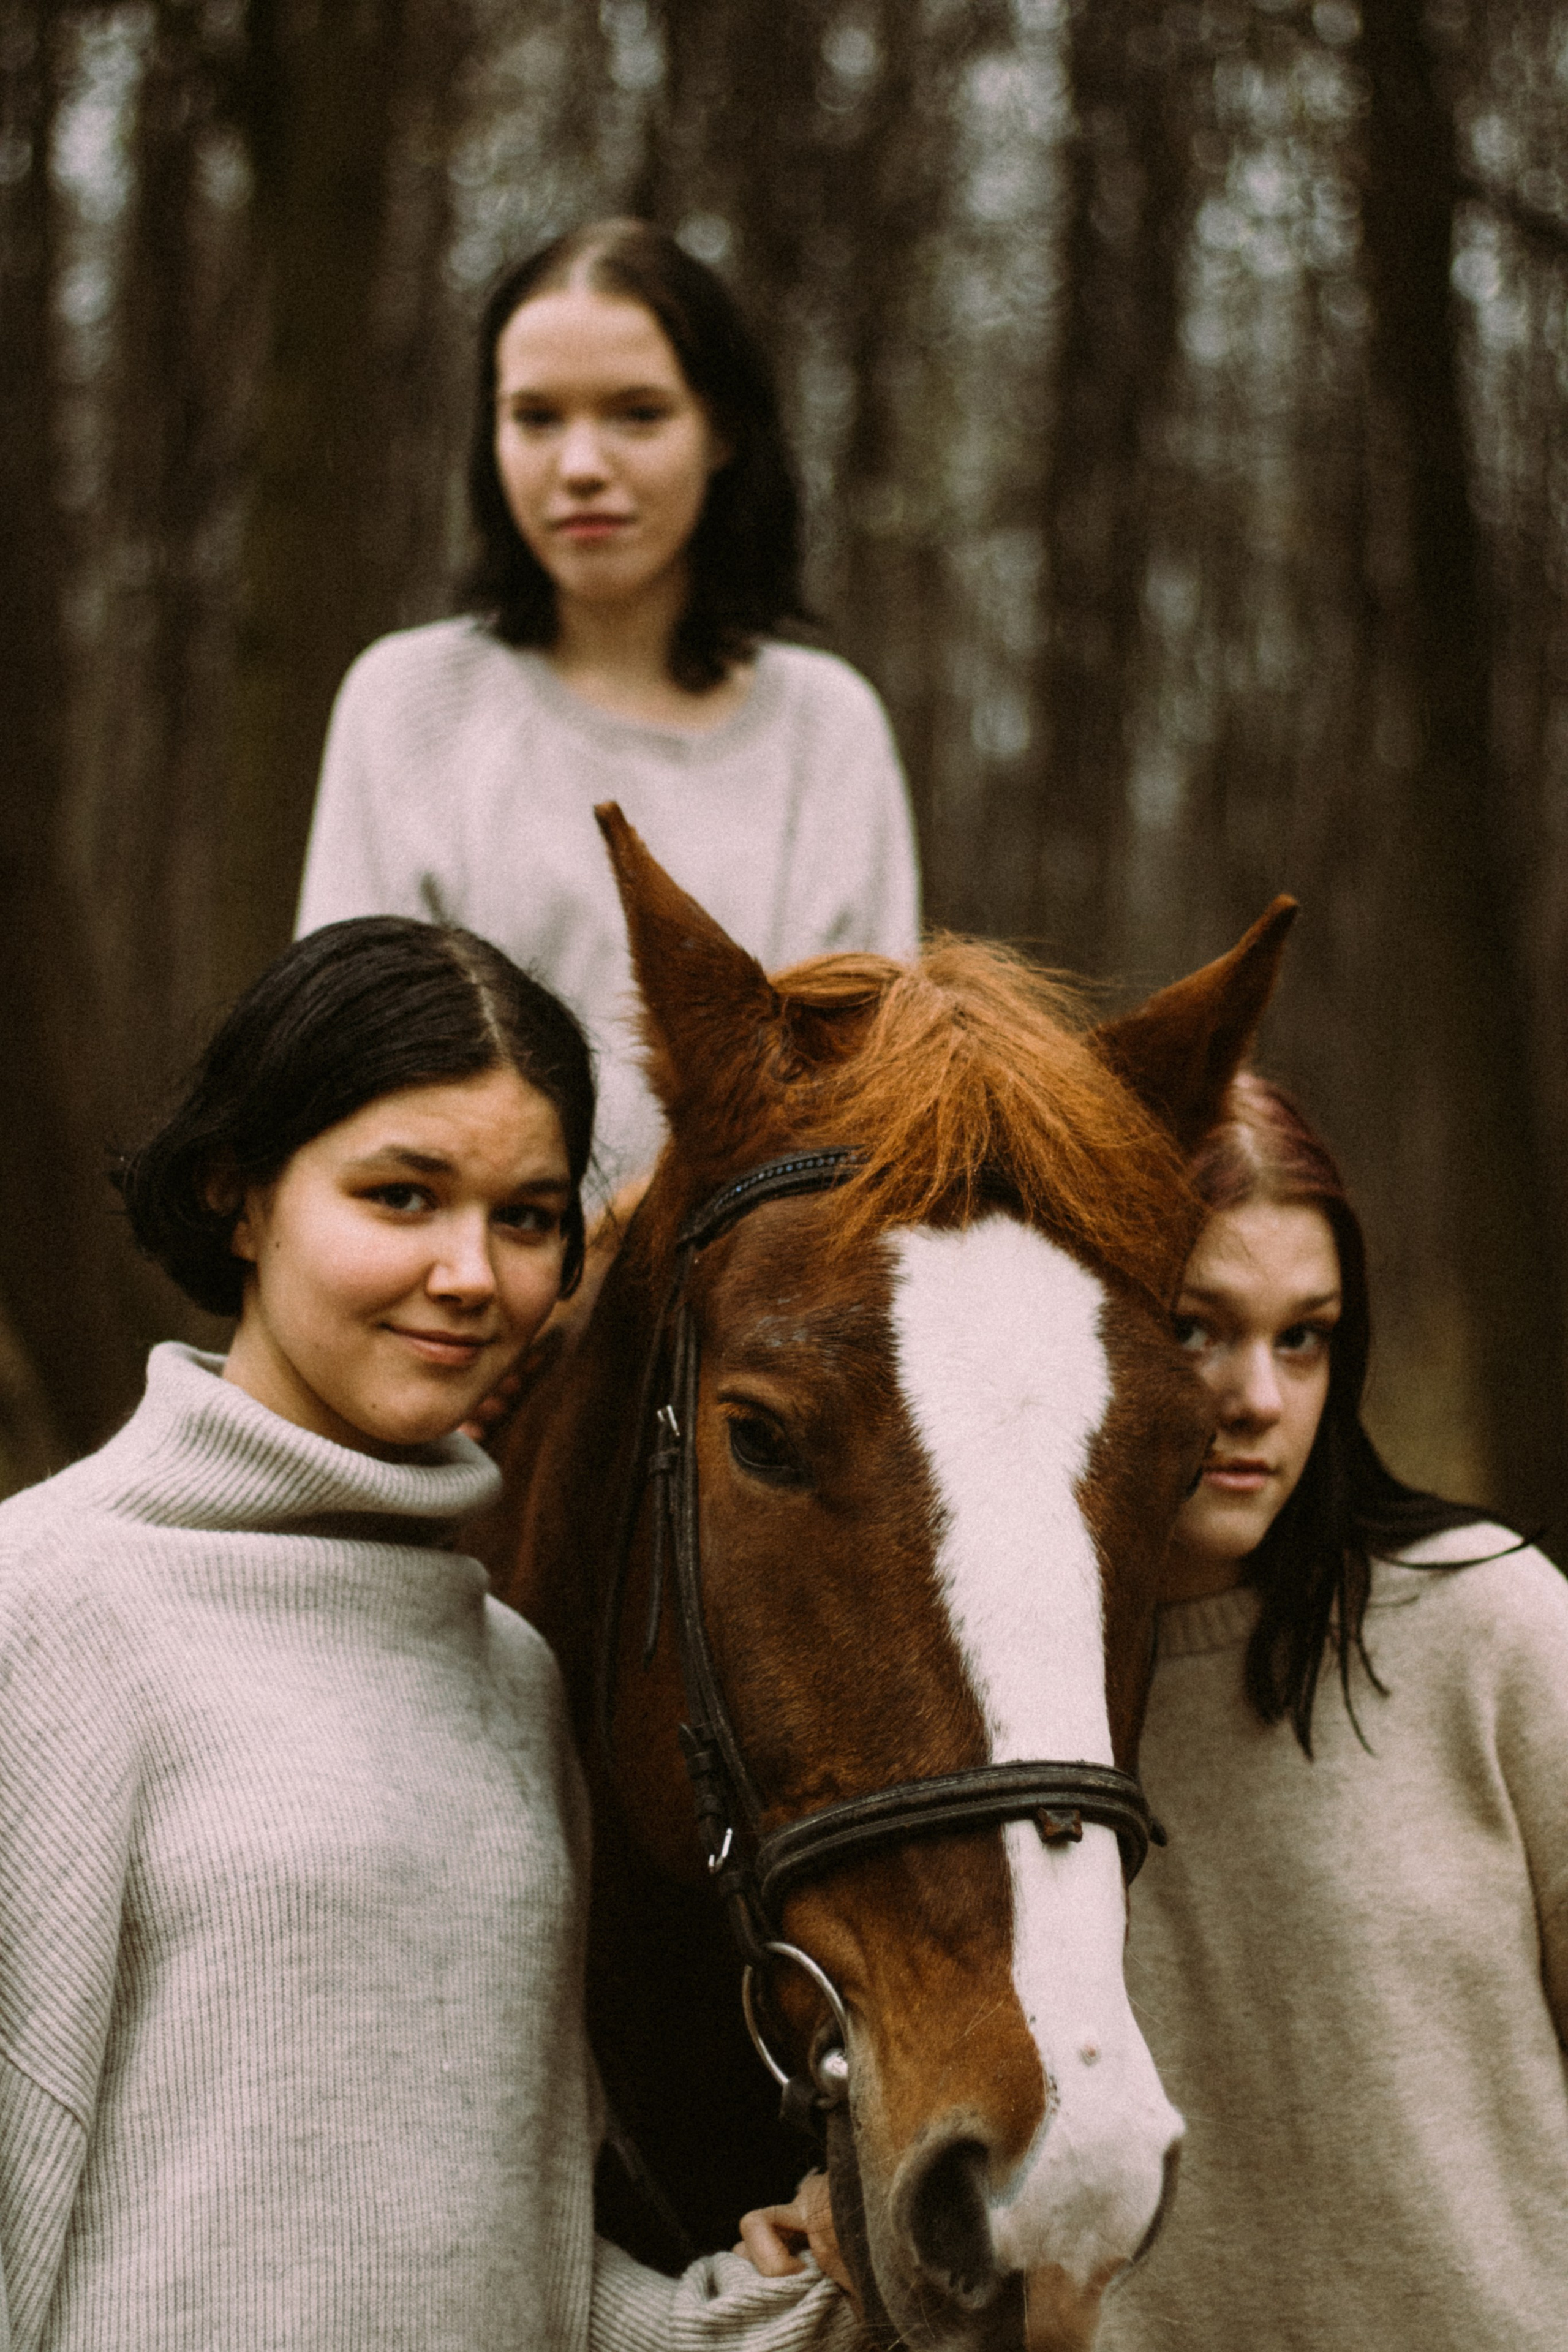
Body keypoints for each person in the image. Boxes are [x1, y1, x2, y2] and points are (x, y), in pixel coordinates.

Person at [0, 914, 857, 2351]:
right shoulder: (52, 1603)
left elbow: (520, 2271)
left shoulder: (509, 1672)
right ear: (240, 1197)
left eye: (526, 1217)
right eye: (403, 1196)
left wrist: (784, 2307)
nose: (474, 1274)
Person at [296, 217, 919, 1197]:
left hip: (742, 1321)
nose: (580, 464)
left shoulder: (827, 730)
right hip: (462, 1288)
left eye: (636, 413)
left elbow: (857, 1100)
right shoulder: (407, 704)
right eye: (537, 417)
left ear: (720, 432)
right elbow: (345, 1074)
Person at [1098, 1072, 1568, 2352]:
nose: (1256, 1396)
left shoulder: (1491, 1631)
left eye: (1299, 1337)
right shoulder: (1009, 1704)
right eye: (1197, 1328)